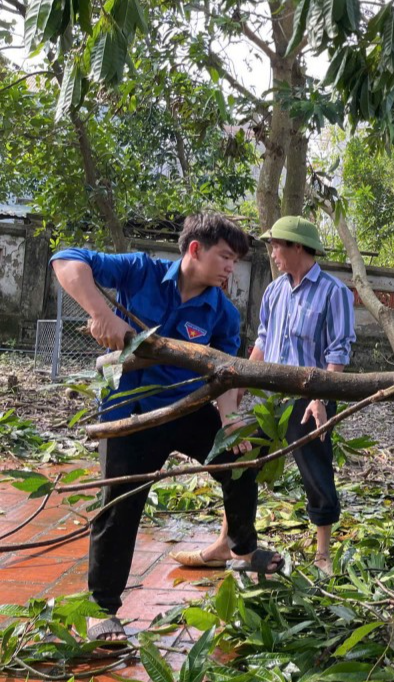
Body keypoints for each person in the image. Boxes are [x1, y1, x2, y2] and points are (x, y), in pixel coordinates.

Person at [50, 214, 283, 645]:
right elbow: (65, 260)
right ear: (195, 249)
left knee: (241, 461)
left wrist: (231, 421)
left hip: (188, 409)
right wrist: (101, 314)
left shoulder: (223, 314)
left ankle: (244, 551)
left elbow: (224, 379)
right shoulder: (140, 271)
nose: (232, 267)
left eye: (235, 260)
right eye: (225, 256)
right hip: (131, 412)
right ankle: (102, 611)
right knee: (119, 505)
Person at [171, 216, 356, 575]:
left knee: (315, 470)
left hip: (311, 398)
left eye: (277, 246)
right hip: (273, 401)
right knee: (239, 457)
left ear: (297, 247)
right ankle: (230, 540)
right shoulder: (274, 291)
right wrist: (238, 385)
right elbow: (263, 343)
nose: (272, 253)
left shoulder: (334, 292)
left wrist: (321, 398)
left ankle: (322, 554)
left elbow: (338, 352)